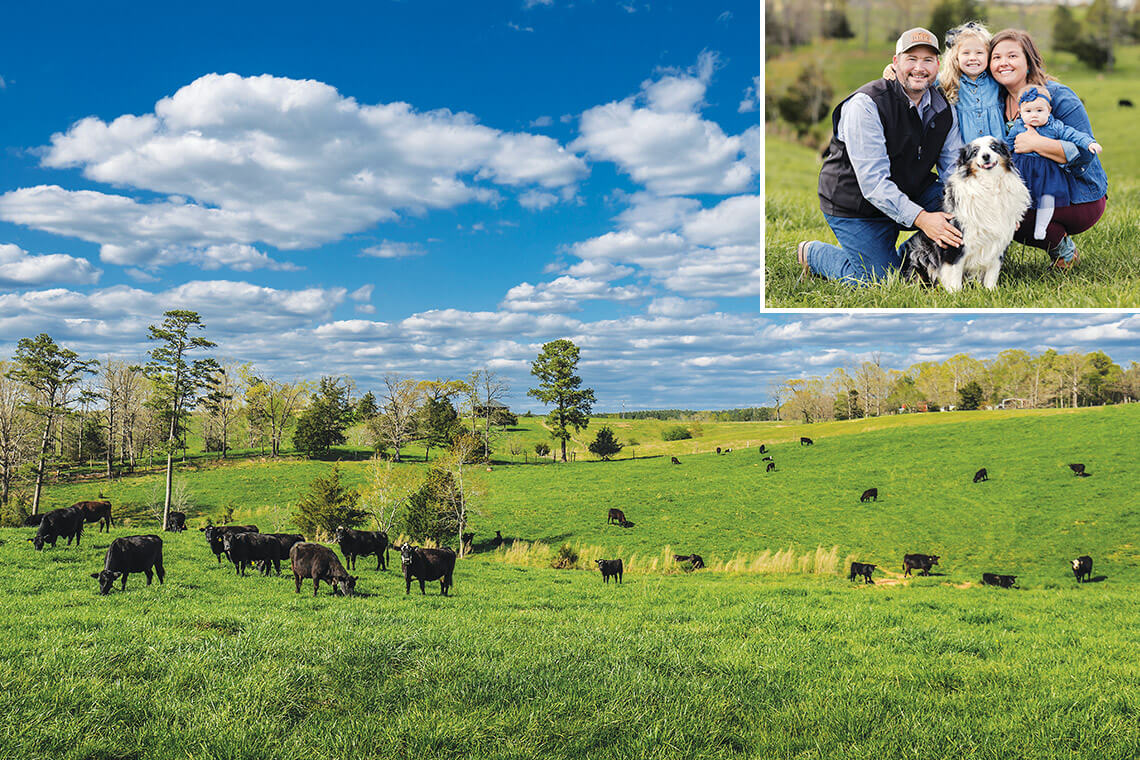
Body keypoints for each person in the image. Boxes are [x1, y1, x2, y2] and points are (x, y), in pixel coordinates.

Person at [798, 28, 964, 285]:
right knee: (881, 282)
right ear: (895, 63)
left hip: (912, 190)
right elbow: (874, 184)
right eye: (911, 59)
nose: (919, 68)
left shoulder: (945, 107)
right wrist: (923, 220)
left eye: (928, 60)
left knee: (967, 213)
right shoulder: (866, 105)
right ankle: (814, 253)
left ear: (937, 66)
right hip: (857, 206)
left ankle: (914, 258)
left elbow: (953, 170)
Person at [990, 29, 1108, 268]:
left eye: (1012, 56)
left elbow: (1085, 152)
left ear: (1029, 60)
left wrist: (1037, 144)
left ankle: (1061, 248)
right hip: (1031, 185)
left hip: (1077, 193)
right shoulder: (995, 99)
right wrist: (893, 74)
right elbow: (956, 78)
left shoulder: (1058, 96)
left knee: (1007, 214)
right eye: (996, 57)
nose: (1003, 63)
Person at [1006, 85, 1103, 241]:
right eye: (1028, 111)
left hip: (1047, 171)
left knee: (1048, 198)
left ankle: (1041, 227)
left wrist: (1089, 143)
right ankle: (1015, 218)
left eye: (1039, 111)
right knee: (1019, 196)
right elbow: (1007, 144)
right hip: (1024, 169)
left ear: (1049, 110)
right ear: (1020, 112)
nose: (1034, 116)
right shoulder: (1018, 127)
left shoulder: (1055, 126)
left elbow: (1074, 135)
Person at [939, 22, 1006, 142]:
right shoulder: (948, 81)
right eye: (966, 53)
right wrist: (894, 70)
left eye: (979, 53)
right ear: (956, 57)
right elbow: (925, 79)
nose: (973, 58)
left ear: (988, 55)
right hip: (966, 154)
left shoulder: (997, 81)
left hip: (996, 153)